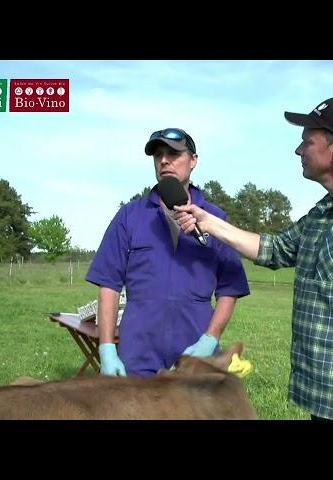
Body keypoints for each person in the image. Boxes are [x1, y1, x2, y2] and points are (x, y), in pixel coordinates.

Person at [175, 98, 333, 420]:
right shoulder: (322, 213)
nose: (299, 150)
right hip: (323, 400)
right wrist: (208, 222)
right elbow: (275, 249)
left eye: (307, 141)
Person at [86, 127, 250, 378]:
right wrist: (107, 348)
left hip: (195, 354)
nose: (164, 160)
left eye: (174, 154)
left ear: (193, 161)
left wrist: (210, 339)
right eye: (158, 155)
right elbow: (109, 284)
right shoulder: (130, 216)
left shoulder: (215, 219)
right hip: (138, 354)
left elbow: (230, 288)